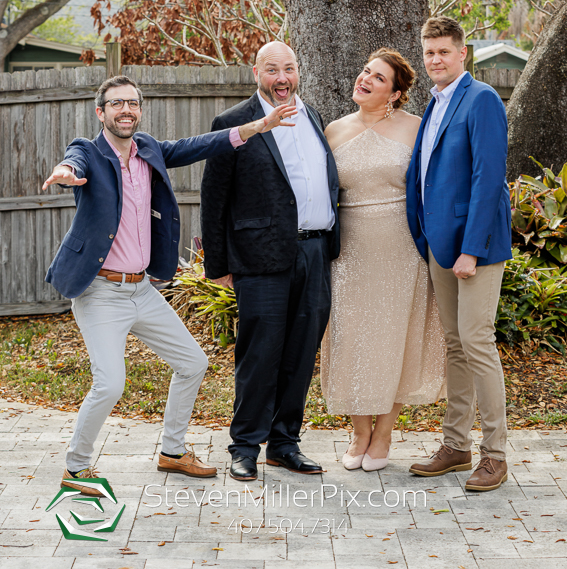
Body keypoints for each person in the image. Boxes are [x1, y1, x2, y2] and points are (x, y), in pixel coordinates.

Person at [42, 74, 295, 496]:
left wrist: (256, 127)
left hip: (142, 290)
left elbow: (201, 145)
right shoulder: (88, 151)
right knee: (110, 383)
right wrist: (65, 172)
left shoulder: (149, 150)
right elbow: (73, 161)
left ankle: (173, 452)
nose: (126, 110)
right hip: (101, 293)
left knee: (193, 363)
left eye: (132, 103)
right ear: (101, 112)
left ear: (139, 110)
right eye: (116, 103)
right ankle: (76, 466)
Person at [200, 41, 340, 481]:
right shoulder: (233, 123)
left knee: (301, 353)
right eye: (273, 70)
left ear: (298, 72)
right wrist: (217, 264)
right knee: (259, 353)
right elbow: (214, 197)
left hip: (315, 253)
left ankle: (283, 444)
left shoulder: (314, 116)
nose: (283, 78)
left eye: (290, 69)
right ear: (256, 72)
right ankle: (244, 446)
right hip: (259, 257)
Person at [321, 49, 446, 471]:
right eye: (364, 72)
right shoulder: (334, 130)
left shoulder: (417, 128)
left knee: (397, 337)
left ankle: (385, 433)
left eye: (377, 77)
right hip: (350, 249)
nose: (365, 79)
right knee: (352, 336)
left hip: (401, 246)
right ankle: (359, 432)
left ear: (394, 93)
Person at [406, 16, 512, 492]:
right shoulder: (435, 103)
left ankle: (495, 454)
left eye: (444, 52)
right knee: (455, 344)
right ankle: (456, 445)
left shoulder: (482, 99)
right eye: (429, 53)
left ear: (462, 53)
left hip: (476, 249)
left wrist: (471, 250)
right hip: (439, 247)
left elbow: (488, 179)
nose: (435, 61)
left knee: (476, 341)